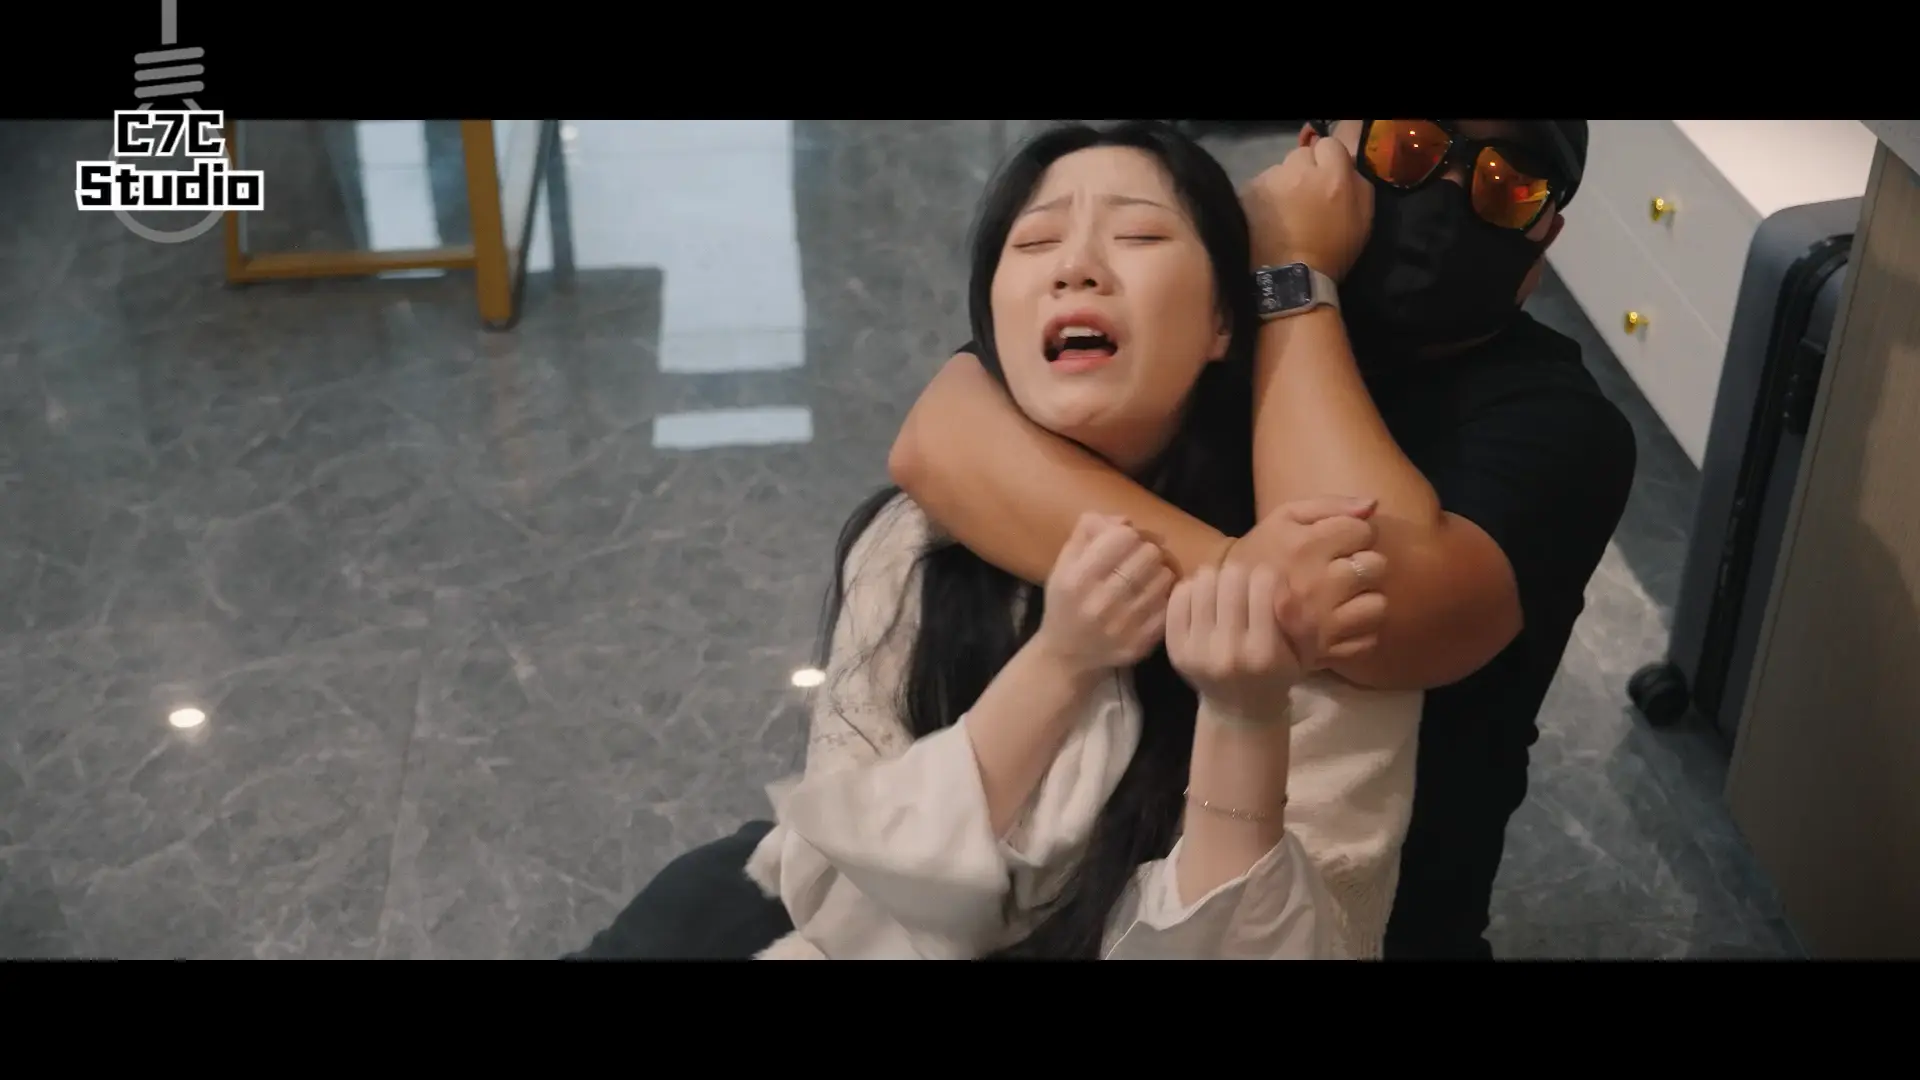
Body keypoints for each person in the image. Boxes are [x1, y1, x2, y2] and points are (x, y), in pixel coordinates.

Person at [568, 119, 1422, 960]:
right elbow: (843, 911)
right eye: (1035, 243)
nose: (1076, 267)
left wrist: (1243, 714)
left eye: (1139, 235)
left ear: (1221, 322)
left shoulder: (1312, 580)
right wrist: (1061, 660)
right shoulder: (916, 544)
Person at [885, 119, 1639, 959]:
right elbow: (942, 438)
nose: (1449, 193)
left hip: (1365, 920)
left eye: (1506, 186)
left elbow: (1376, 606)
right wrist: (1247, 586)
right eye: (1407, 144)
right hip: (1080, 861)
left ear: (1545, 239)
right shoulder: (1206, 277)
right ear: (1317, 145)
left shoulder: (1565, 428)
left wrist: (1292, 278)